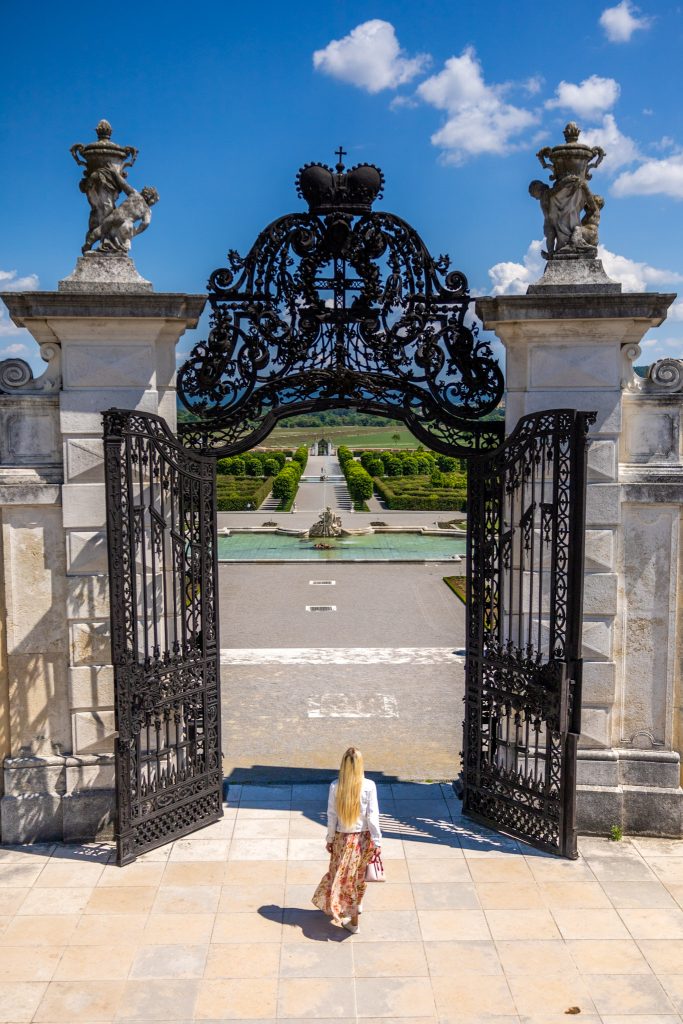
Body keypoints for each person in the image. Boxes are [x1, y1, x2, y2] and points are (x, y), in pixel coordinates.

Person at [312, 747, 381, 933]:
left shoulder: (336, 786)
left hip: (344, 839)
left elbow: (332, 815)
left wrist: (330, 838)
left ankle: (354, 923)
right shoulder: (369, 786)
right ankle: (357, 905)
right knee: (358, 876)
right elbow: (373, 816)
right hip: (364, 839)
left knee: (344, 879)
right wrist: (377, 841)